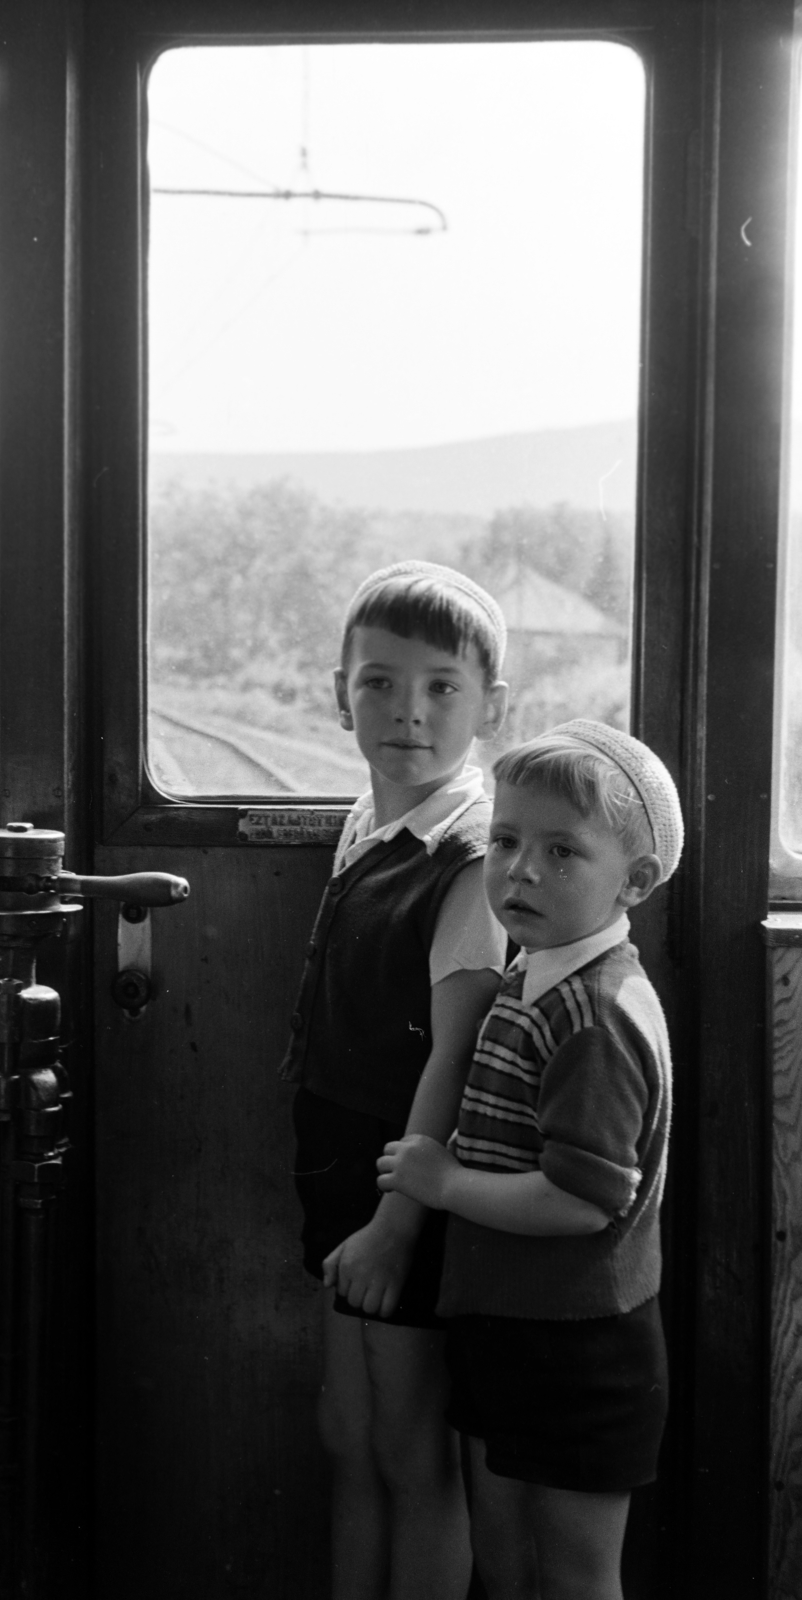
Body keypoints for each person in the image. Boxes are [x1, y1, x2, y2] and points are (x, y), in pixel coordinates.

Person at [377, 719, 684, 1600]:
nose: (520, 870)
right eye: (505, 841)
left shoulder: (596, 1015)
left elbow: (584, 1203)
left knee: (578, 1577)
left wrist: (444, 1182)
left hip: (579, 1347)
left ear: (635, 882)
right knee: (504, 1562)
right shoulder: (537, 971)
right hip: (511, 1324)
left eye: (561, 852)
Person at [280, 560, 509, 1600]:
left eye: (440, 688)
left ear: (488, 708)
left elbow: (454, 1057)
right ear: (340, 694)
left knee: (413, 1451)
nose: (405, 712)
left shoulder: (467, 858)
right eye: (377, 682)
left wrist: (397, 1223)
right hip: (345, 1173)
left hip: (403, 1192)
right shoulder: (372, 818)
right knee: (348, 1434)